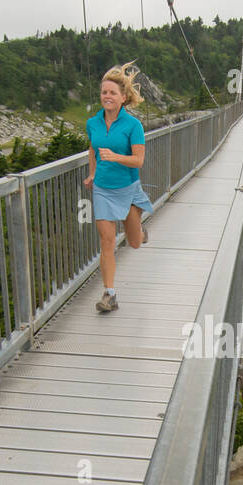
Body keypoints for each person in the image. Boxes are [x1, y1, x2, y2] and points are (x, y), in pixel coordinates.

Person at [84, 60, 154, 313]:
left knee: (134, 242)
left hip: (128, 189)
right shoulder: (93, 123)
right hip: (103, 189)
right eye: (104, 92)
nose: (107, 96)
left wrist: (115, 157)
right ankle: (109, 294)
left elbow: (138, 160)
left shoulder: (133, 125)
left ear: (123, 97)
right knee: (107, 240)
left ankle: (140, 231)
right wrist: (92, 173)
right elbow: (92, 149)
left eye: (112, 92)